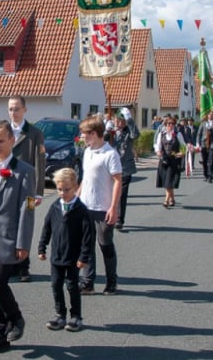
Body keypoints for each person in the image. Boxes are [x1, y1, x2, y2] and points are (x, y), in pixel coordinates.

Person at [0, 120, 36, 354]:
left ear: (12, 140)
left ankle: (16, 317)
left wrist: (23, 242)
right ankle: (0, 334)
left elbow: (27, 208)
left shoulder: (25, 171)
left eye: (1, 140)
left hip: (9, 239)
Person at [37, 167, 94, 332]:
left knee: (72, 286)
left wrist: (84, 257)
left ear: (75, 187)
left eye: (66, 189)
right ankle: (60, 314)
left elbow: (88, 236)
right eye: (59, 189)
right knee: (56, 285)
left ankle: (76, 316)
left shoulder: (81, 210)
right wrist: (42, 247)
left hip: (73, 256)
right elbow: (47, 228)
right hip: (57, 255)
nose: (62, 193)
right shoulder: (55, 206)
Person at [77, 115, 122, 296]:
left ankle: (111, 281)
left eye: (84, 134)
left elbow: (117, 181)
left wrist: (113, 208)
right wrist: (76, 198)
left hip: (103, 207)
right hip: (86, 206)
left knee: (105, 244)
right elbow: (85, 178)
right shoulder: (87, 152)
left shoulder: (110, 154)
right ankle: (88, 282)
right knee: (86, 245)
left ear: (94, 133)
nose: (82, 137)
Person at [7, 95, 45, 283]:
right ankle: (10, 264)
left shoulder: (35, 133)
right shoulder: (4, 131)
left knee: (26, 223)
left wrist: (38, 191)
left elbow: (40, 162)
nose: (13, 112)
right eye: (10, 109)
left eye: (16, 109)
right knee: (9, 224)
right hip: (7, 186)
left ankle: (24, 266)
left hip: (28, 188)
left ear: (24, 110)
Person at [112, 108, 139, 230]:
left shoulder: (129, 131)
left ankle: (119, 219)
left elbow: (136, 135)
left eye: (123, 121)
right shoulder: (110, 132)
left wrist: (130, 120)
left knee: (121, 194)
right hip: (111, 168)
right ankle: (110, 215)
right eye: (118, 120)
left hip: (125, 168)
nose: (120, 123)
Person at [154, 117, 184, 207]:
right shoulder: (161, 134)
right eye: (168, 124)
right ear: (165, 125)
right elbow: (158, 146)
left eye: (172, 124)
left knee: (169, 181)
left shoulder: (178, 134)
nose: (170, 125)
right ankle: (172, 199)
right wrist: (158, 152)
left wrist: (181, 153)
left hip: (174, 161)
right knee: (167, 181)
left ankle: (166, 200)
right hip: (164, 160)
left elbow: (183, 146)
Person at [196, 111, 213, 183]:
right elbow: (199, 134)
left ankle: (210, 176)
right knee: (204, 161)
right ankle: (205, 174)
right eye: (209, 114)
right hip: (204, 144)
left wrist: (211, 130)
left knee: (211, 161)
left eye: (212, 115)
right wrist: (198, 143)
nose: (210, 116)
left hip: (212, 144)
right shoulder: (203, 124)